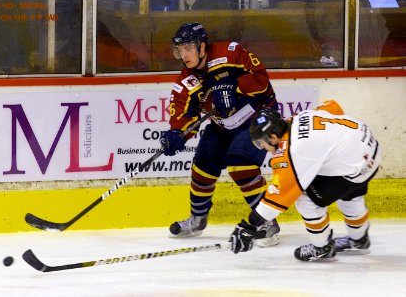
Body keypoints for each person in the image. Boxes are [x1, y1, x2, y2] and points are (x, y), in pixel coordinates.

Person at [160, 22, 280, 247]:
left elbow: (261, 79)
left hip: (259, 118)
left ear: (202, 46)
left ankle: (266, 222)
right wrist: (177, 134)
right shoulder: (186, 82)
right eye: (180, 50)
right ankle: (197, 219)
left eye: (188, 48)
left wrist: (235, 85)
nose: (184, 55)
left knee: (240, 163)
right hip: (223, 124)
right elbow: (184, 115)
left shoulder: (231, 52)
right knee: (203, 164)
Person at [230, 100, 381, 261]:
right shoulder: (300, 116)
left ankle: (321, 247)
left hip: (356, 165)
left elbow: (278, 198)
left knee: (305, 198)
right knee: (349, 195)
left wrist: (250, 226)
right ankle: (359, 240)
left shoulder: (291, 151)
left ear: (273, 137)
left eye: (261, 143)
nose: (263, 148)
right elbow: (333, 106)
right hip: (370, 147)